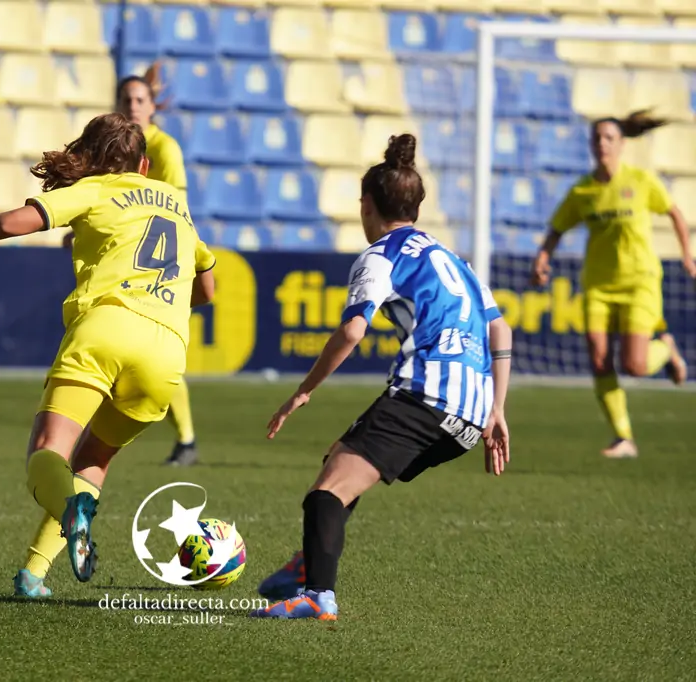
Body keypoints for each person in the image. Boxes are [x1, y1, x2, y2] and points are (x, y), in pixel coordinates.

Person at [0, 113, 217, 598]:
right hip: (165, 352)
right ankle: (34, 575)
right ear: (143, 163)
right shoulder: (177, 206)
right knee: (95, 459)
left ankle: (68, 507)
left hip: (107, 329)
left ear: (94, 158)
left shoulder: (97, 189)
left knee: (46, 453)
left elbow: (16, 222)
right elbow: (208, 287)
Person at [248, 134, 513, 621]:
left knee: (326, 492)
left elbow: (352, 330)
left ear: (368, 205)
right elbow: (500, 326)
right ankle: (309, 561)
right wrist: (497, 408)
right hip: (470, 416)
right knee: (341, 458)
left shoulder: (381, 255)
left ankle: (317, 595)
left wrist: (303, 392)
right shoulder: (456, 260)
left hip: (425, 395)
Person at [531, 110, 694, 460]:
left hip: (640, 281)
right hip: (598, 285)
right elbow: (557, 228)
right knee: (599, 358)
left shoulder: (641, 181)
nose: (602, 144)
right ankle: (623, 437)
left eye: (609, 138)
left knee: (634, 365)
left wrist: (687, 255)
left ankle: (667, 350)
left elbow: (675, 214)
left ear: (621, 144)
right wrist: (543, 258)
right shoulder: (583, 190)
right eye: (597, 139)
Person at [64, 70, 201, 467]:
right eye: (127, 101)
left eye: (140, 100)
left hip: (159, 262)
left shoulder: (165, 149)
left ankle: (186, 437)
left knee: (151, 340)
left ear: (153, 106)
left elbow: (175, 208)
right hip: (127, 255)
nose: (133, 107)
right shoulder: (116, 148)